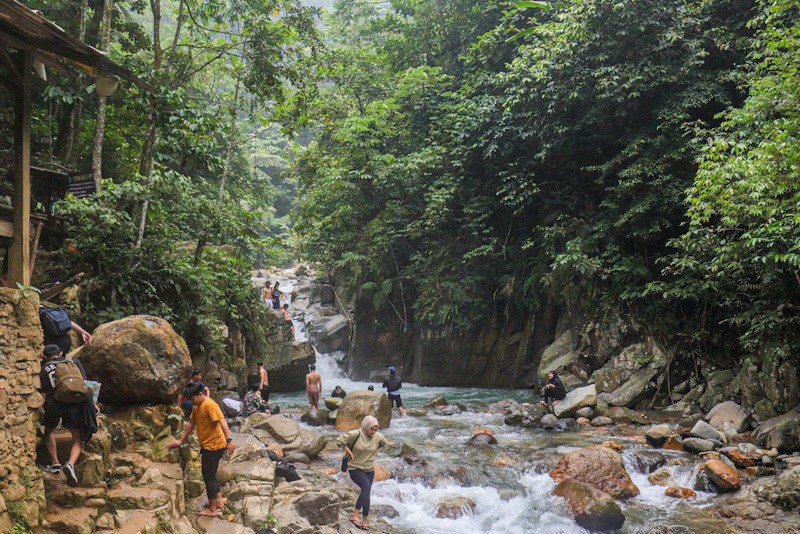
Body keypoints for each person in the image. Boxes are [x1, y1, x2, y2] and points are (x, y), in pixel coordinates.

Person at [168, 382, 236, 517]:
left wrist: (229, 441)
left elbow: (223, 421)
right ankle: (218, 501)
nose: (192, 402)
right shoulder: (197, 406)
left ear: (200, 394)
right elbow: (191, 423)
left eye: (193, 399)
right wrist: (180, 440)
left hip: (215, 446)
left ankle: (212, 509)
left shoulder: (210, 405)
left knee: (208, 475)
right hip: (207, 445)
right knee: (210, 473)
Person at [40, 344, 99, 486]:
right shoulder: (74, 363)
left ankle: (55, 463)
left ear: (45, 357)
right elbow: (85, 385)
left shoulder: (44, 368)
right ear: (61, 353)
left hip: (53, 404)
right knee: (78, 438)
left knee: (48, 431)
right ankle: (70, 464)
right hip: (74, 403)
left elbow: (43, 390)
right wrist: (93, 405)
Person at [337, 415, 387, 531]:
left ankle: (365, 521)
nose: (373, 432)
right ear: (365, 426)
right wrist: (350, 452)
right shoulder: (356, 434)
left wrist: (377, 451)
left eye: (375, 429)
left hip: (369, 468)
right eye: (371, 429)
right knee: (366, 488)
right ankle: (354, 516)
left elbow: (384, 443)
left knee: (367, 492)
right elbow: (340, 440)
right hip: (355, 468)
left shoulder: (378, 436)